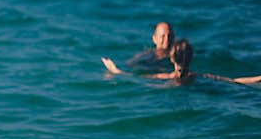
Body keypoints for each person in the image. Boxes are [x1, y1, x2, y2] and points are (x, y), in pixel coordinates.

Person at [103, 39, 260, 86]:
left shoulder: (166, 77)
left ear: (171, 58)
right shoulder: (202, 76)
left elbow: (137, 78)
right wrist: (257, 78)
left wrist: (115, 71)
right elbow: (233, 81)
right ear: (191, 58)